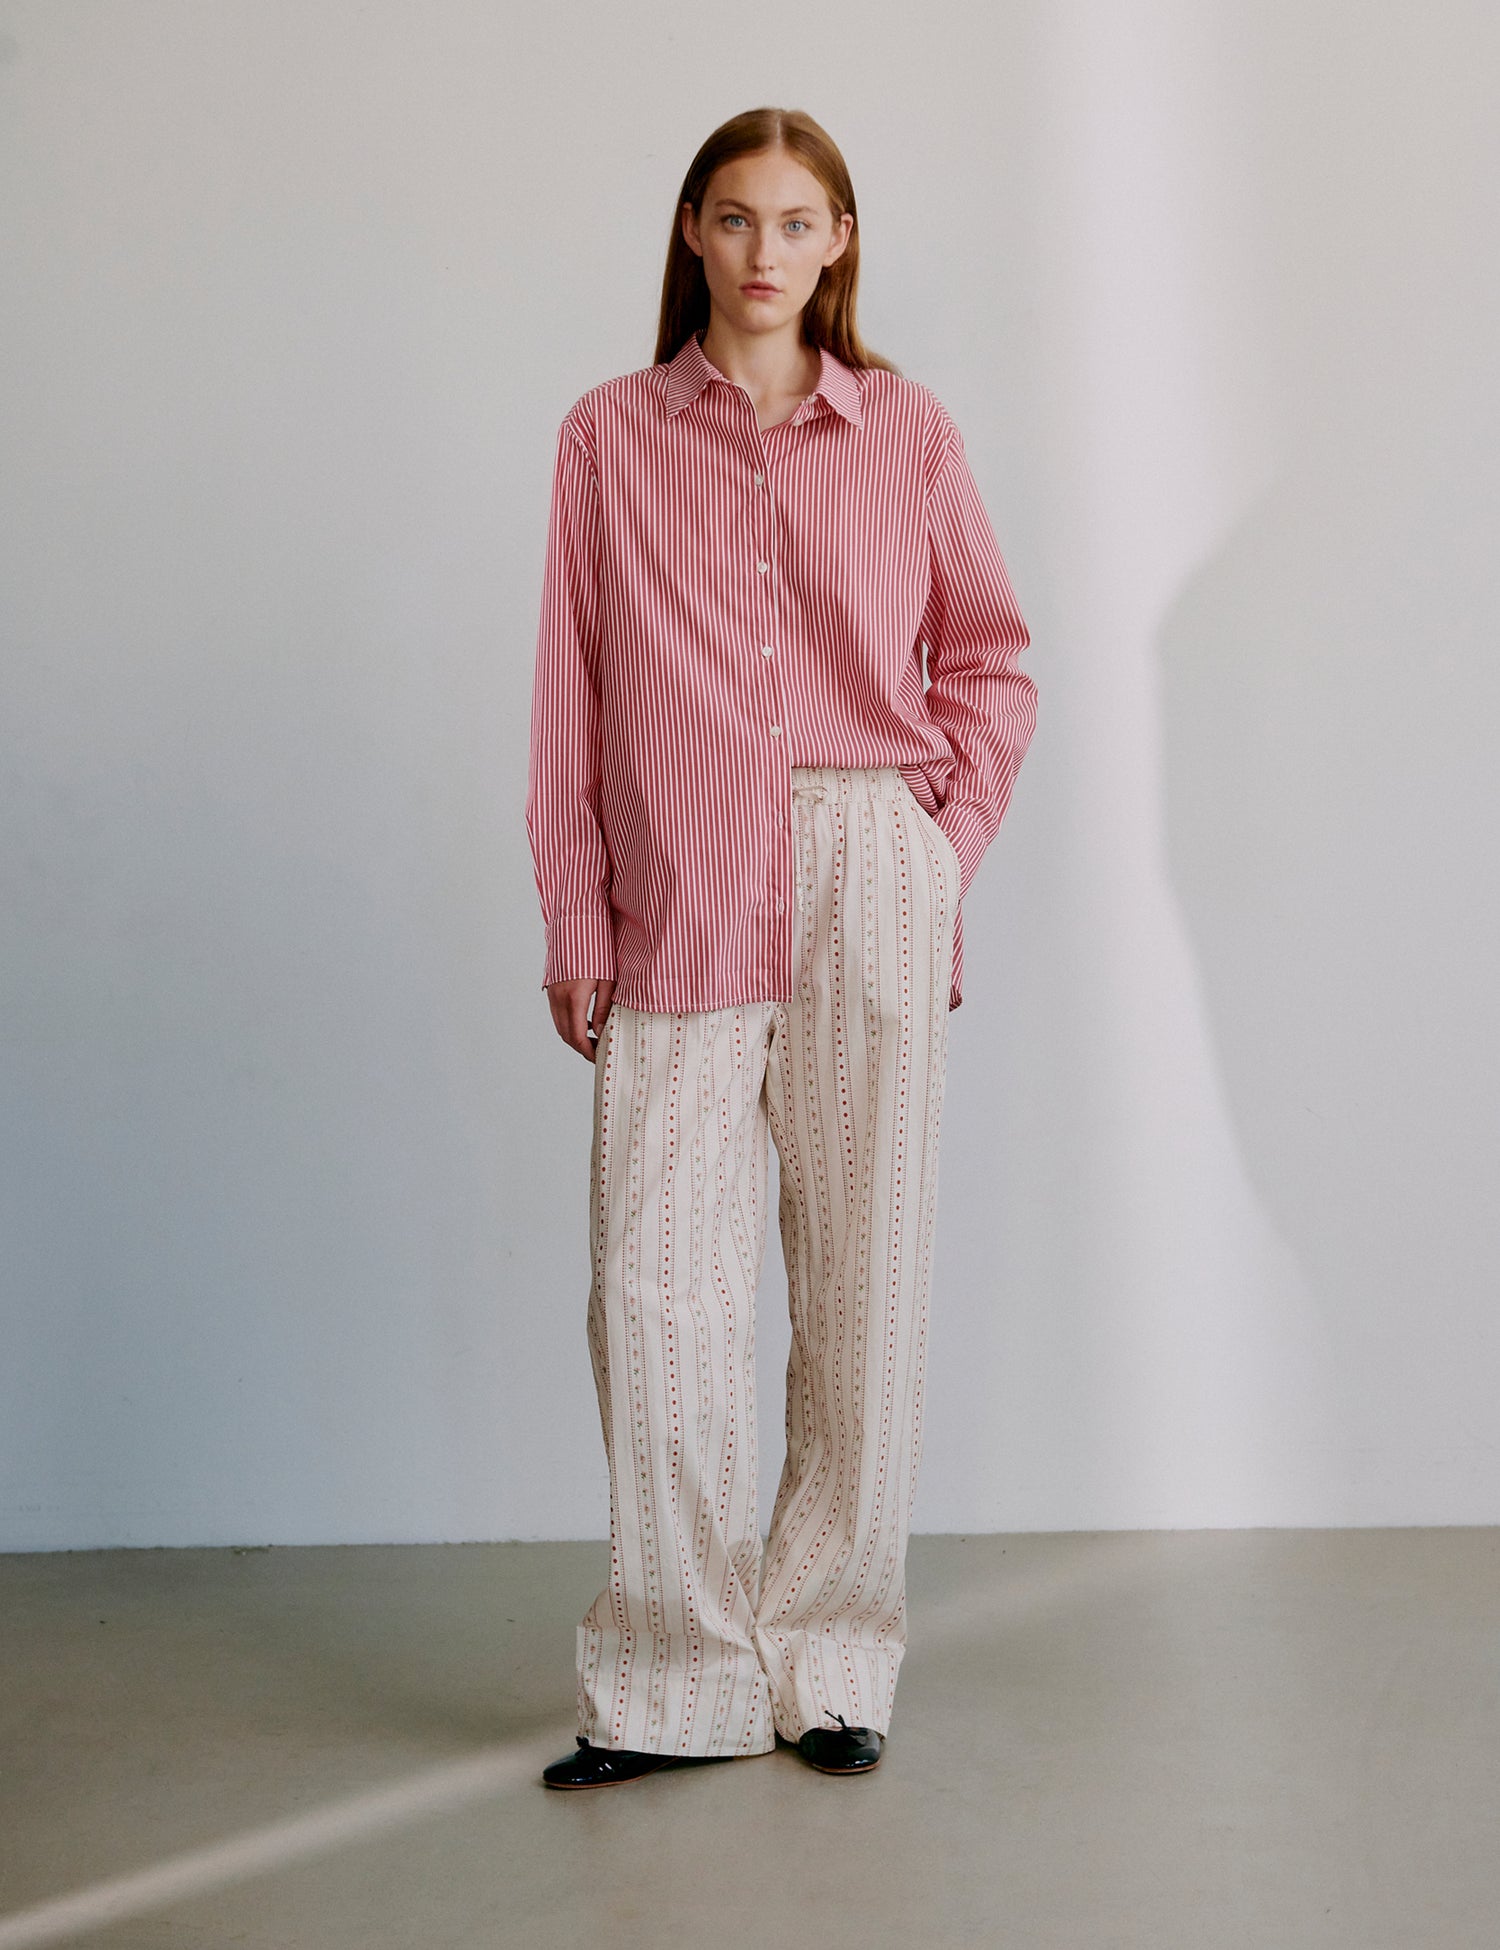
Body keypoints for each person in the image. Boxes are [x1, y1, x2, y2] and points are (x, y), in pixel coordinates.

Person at [526, 105, 1038, 1789]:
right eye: (734, 218)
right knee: (657, 1289)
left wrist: (933, 855)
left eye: (796, 222)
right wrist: (574, 898)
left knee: (861, 1275)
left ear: (840, 244)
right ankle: (673, 1679)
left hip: (861, 855)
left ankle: (829, 1663)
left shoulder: (905, 432)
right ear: (691, 231)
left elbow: (990, 661)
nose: (763, 253)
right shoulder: (607, 435)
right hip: (678, 876)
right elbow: (571, 691)